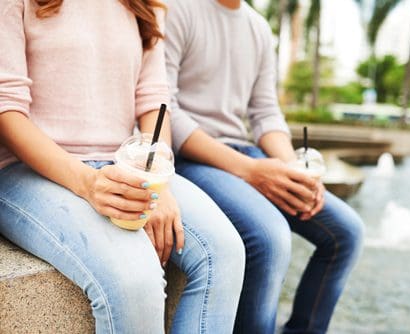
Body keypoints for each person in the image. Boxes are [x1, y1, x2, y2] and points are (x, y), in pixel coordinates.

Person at [0, 0, 245, 333]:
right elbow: (7, 110)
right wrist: (89, 183)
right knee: (135, 282)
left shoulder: (147, 4)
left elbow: (154, 98)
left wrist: (157, 181)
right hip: (26, 170)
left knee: (226, 255)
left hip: (123, 163)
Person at [163, 0, 365, 333]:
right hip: (191, 158)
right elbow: (166, 110)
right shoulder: (177, 9)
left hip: (245, 151)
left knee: (346, 233)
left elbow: (266, 113)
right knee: (270, 237)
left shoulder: (257, 27)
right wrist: (251, 171)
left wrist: (293, 169)